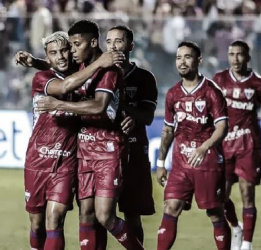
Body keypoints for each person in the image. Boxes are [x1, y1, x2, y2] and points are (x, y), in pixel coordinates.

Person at [35, 20, 143, 250]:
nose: (71, 50)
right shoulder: (82, 67)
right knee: (86, 215)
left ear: (93, 43)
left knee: (105, 216)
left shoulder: (109, 71)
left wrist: (58, 104)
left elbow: (98, 106)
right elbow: (56, 63)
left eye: (76, 44)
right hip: (84, 149)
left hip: (108, 149)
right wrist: (32, 62)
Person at [156, 41, 231, 250]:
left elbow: (222, 127)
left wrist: (203, 147)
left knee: (214, 212)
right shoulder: (172, 94)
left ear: (198, 60)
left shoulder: (211, 92)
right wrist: (161, 162)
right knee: (171, 207)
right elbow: (168, 129)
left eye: (187, 57)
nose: (182, 62)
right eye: (179, 57)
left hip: (207, 161)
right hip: (180, 163)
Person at [106, 25, 158, 246]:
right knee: (98, 212)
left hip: (134, 151)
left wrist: (130, 114)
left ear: (130, 46)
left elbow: (147, 117)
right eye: (108, 42)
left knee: (132, 213)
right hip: (103, 152)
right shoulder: (100, 74)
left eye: (118, 41)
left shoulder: (144, 78)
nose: (112, 46)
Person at [212, 40, 261, 250]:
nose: (235, 58)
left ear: (248, 57)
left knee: (247, 193)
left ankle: (247, 245)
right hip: (224, 144)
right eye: (232, 54)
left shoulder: (257, 84)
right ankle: (236, 227)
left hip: (248, 143)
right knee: (219, 195)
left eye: (240, 54)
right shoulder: (219, 80)